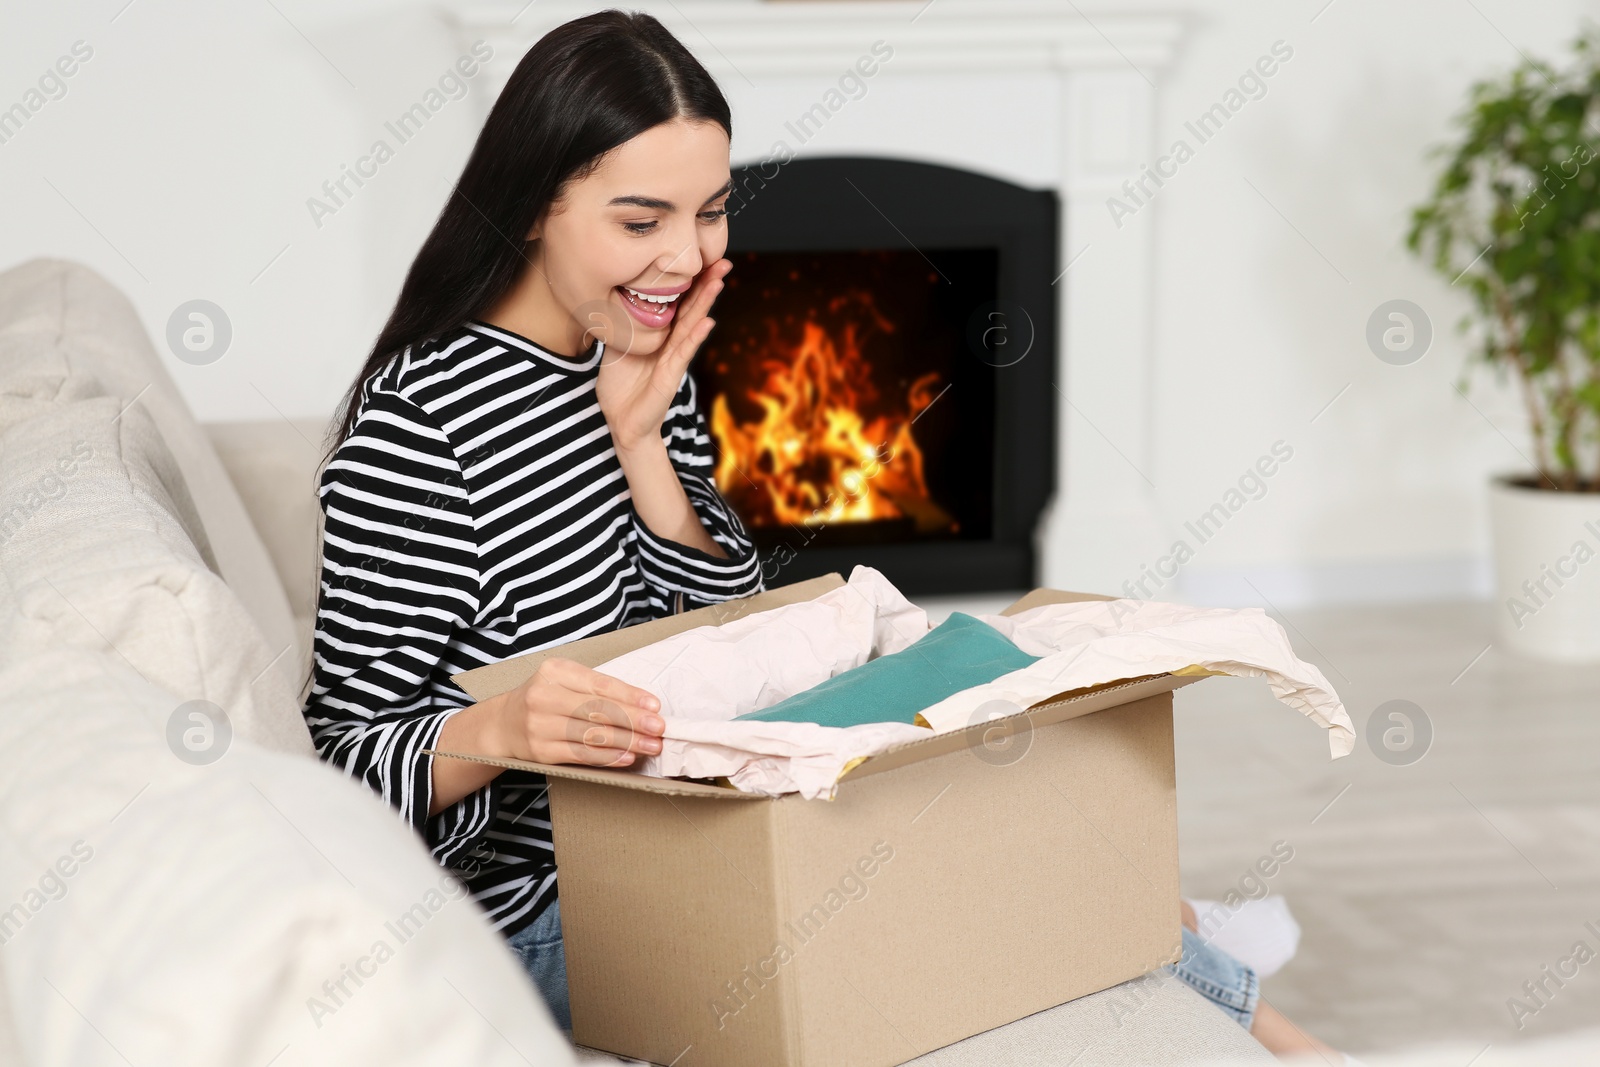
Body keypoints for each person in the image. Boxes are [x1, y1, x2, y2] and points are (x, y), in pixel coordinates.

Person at [300, 9, 1352, 1061]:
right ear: (533, 206)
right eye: (639, 221)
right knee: (974, 870)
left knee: (998, 768)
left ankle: (1180, 942)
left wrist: (643, 452)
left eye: (710, 212)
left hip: (699, 816)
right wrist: (503, 730)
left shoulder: (633, 350)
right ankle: (1243, 995)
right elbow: (334, 770)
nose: (683, 256)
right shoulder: (421, 434)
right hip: (555, 907)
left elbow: (726, 640)